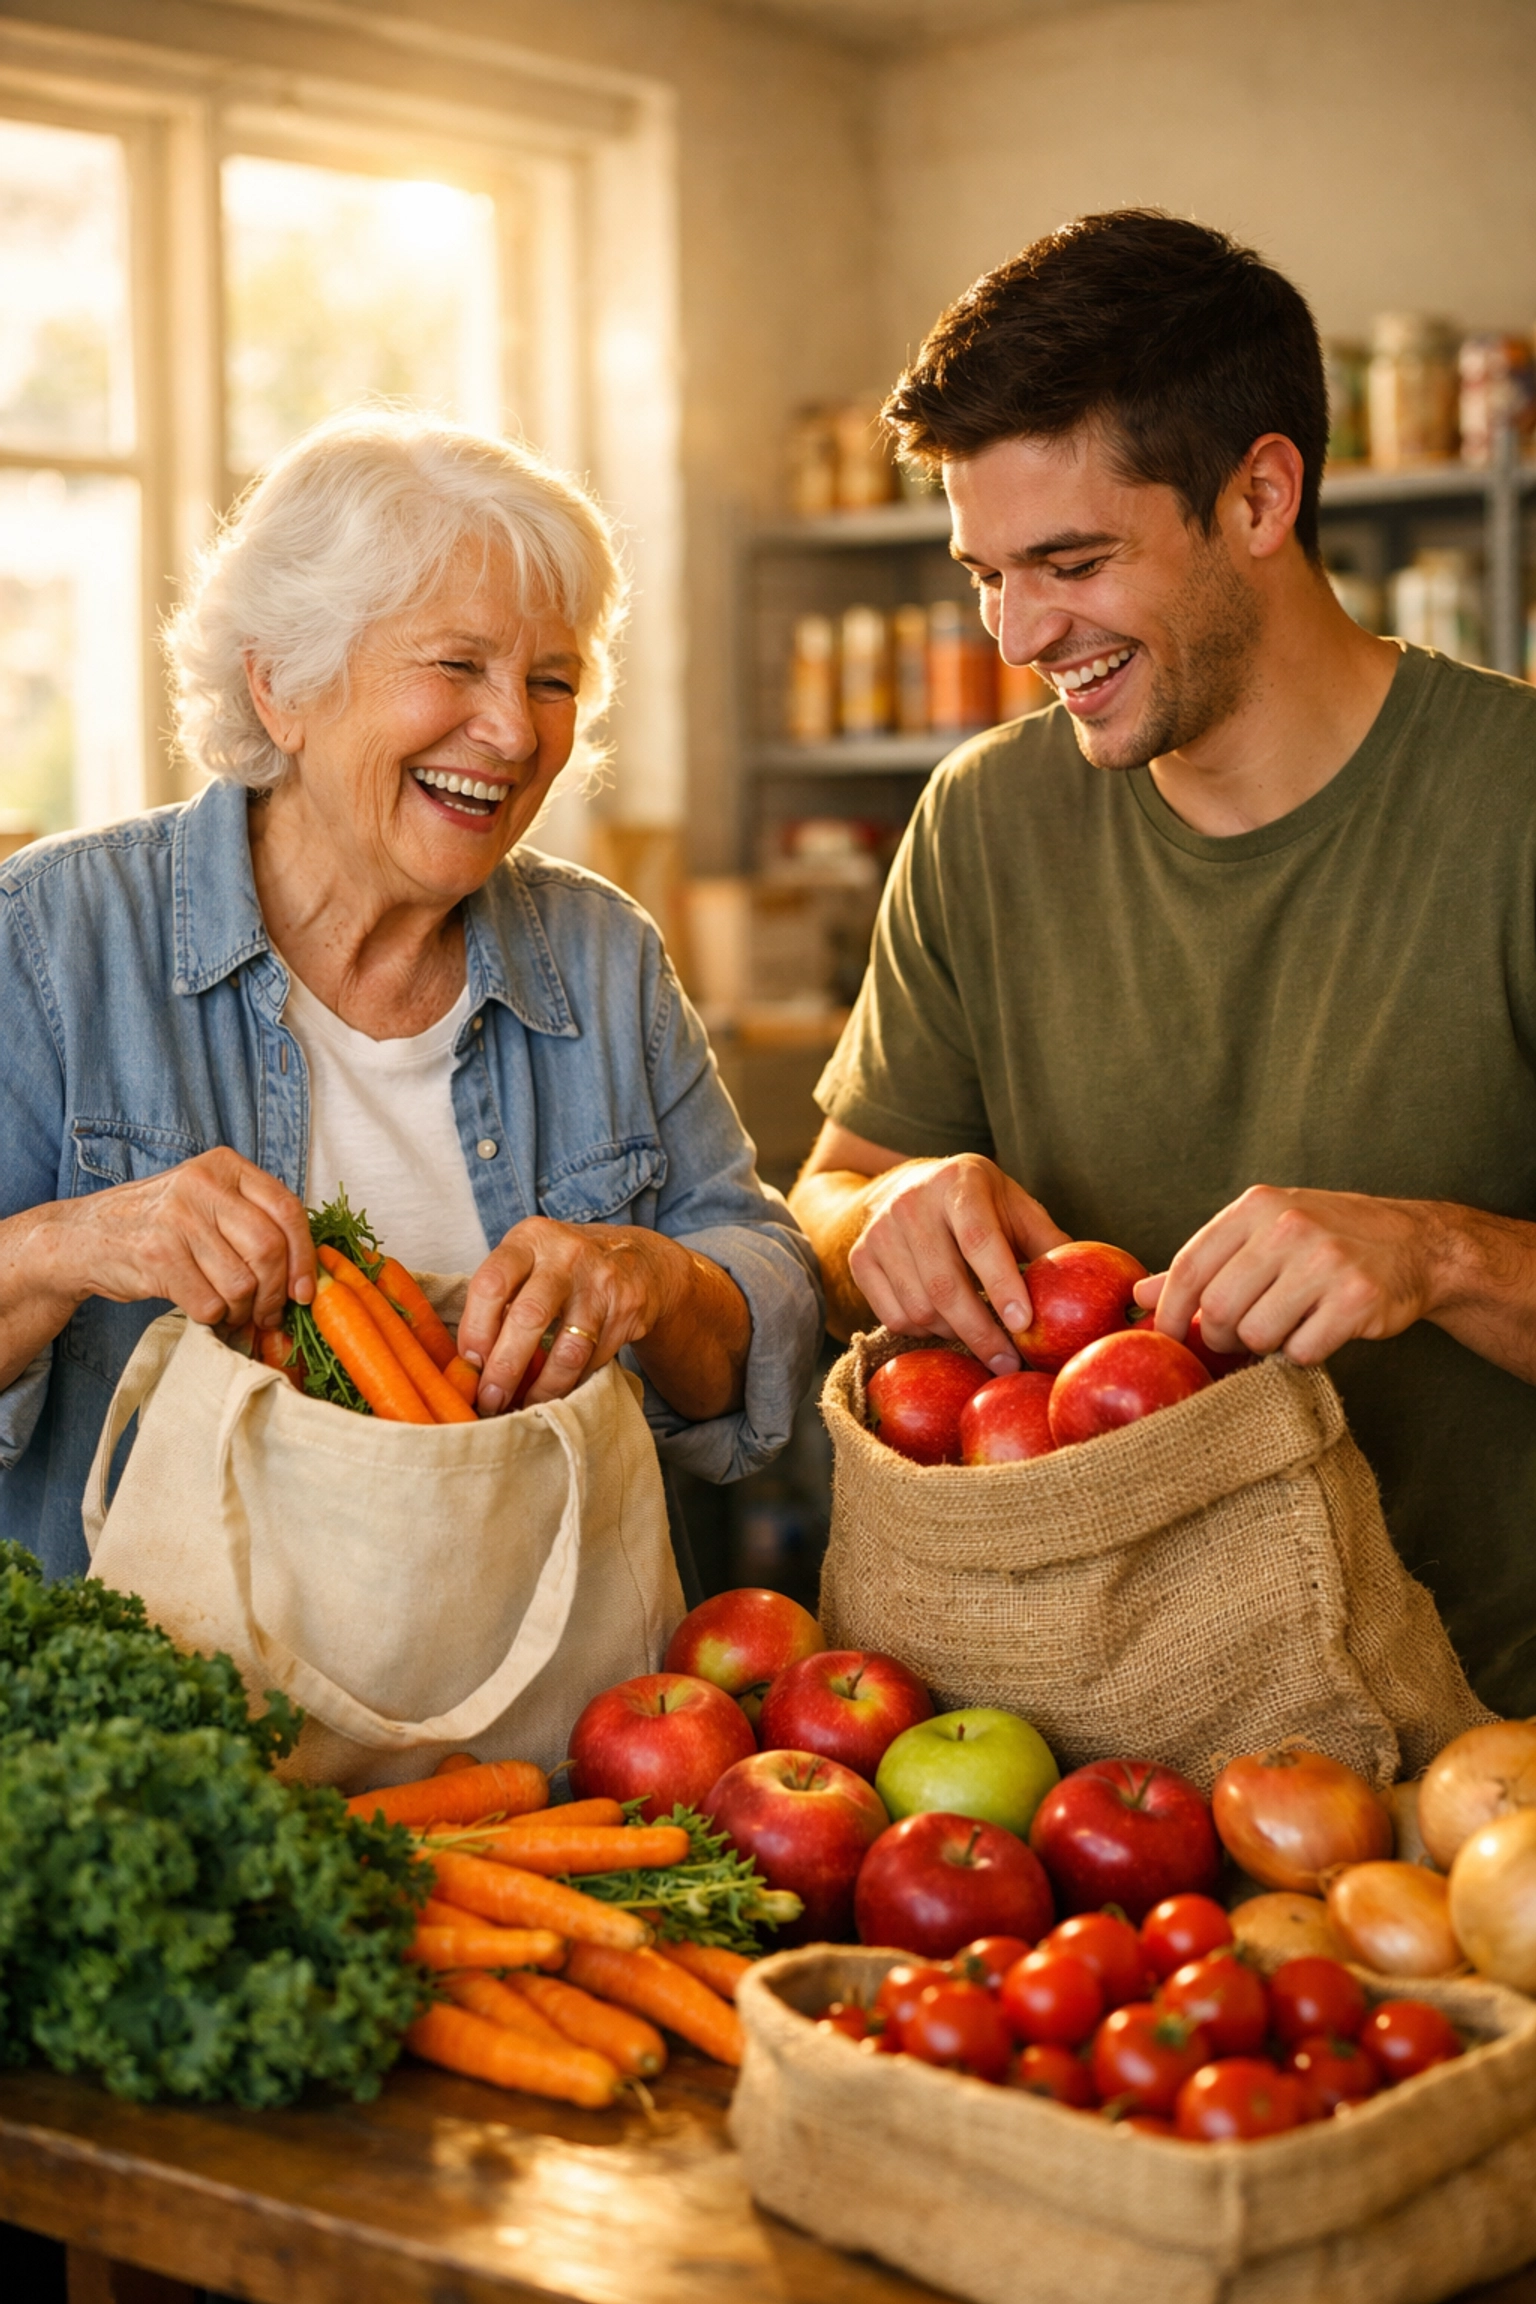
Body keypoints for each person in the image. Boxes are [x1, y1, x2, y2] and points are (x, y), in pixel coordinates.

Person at [790, 209, 1536, 1715]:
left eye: (1069, 562)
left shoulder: (1512, 802)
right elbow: (828, 1195)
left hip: (1495, 1756)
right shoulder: (983, 819)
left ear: (1262, 493)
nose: (1016, 634)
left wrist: (1443, 1257)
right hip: (1088, 1757)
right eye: (985, 572)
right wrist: (883, 1211)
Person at [0, 409, 822, 1582]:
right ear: (281, 684)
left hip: (543, 1721)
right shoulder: (48, 937)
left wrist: (657, 1277)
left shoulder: (604, 956)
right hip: (178, 1715)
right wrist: (72, 1242)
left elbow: (769, 1331)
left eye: (551, 680)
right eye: (456, 664)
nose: (510, 731)